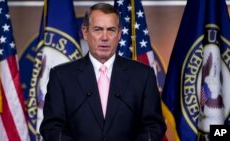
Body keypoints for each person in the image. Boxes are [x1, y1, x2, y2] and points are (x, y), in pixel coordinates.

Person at [40, 3, 166, 141]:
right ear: (85, 32)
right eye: (98, 29)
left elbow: (154, 127)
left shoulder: (143, 75)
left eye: (111, 30)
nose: (104, 37)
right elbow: (51, 128)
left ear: (119, 34)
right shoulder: (61, 77)